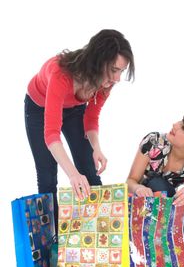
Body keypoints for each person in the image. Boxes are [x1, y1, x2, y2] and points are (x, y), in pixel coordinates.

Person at [24, 29, 135, 232]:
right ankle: (54, 240)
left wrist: (96, 148)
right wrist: (73, 174)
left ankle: (105, 235)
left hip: (74, 109)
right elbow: (51, 135)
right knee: (48, 176)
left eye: (121, 70)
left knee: (89, 170)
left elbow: (91, 118)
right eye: (114, 69)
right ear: (97, 61)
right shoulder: (61, 75)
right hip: (39, 108)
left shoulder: (106, 83)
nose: (118, 78)